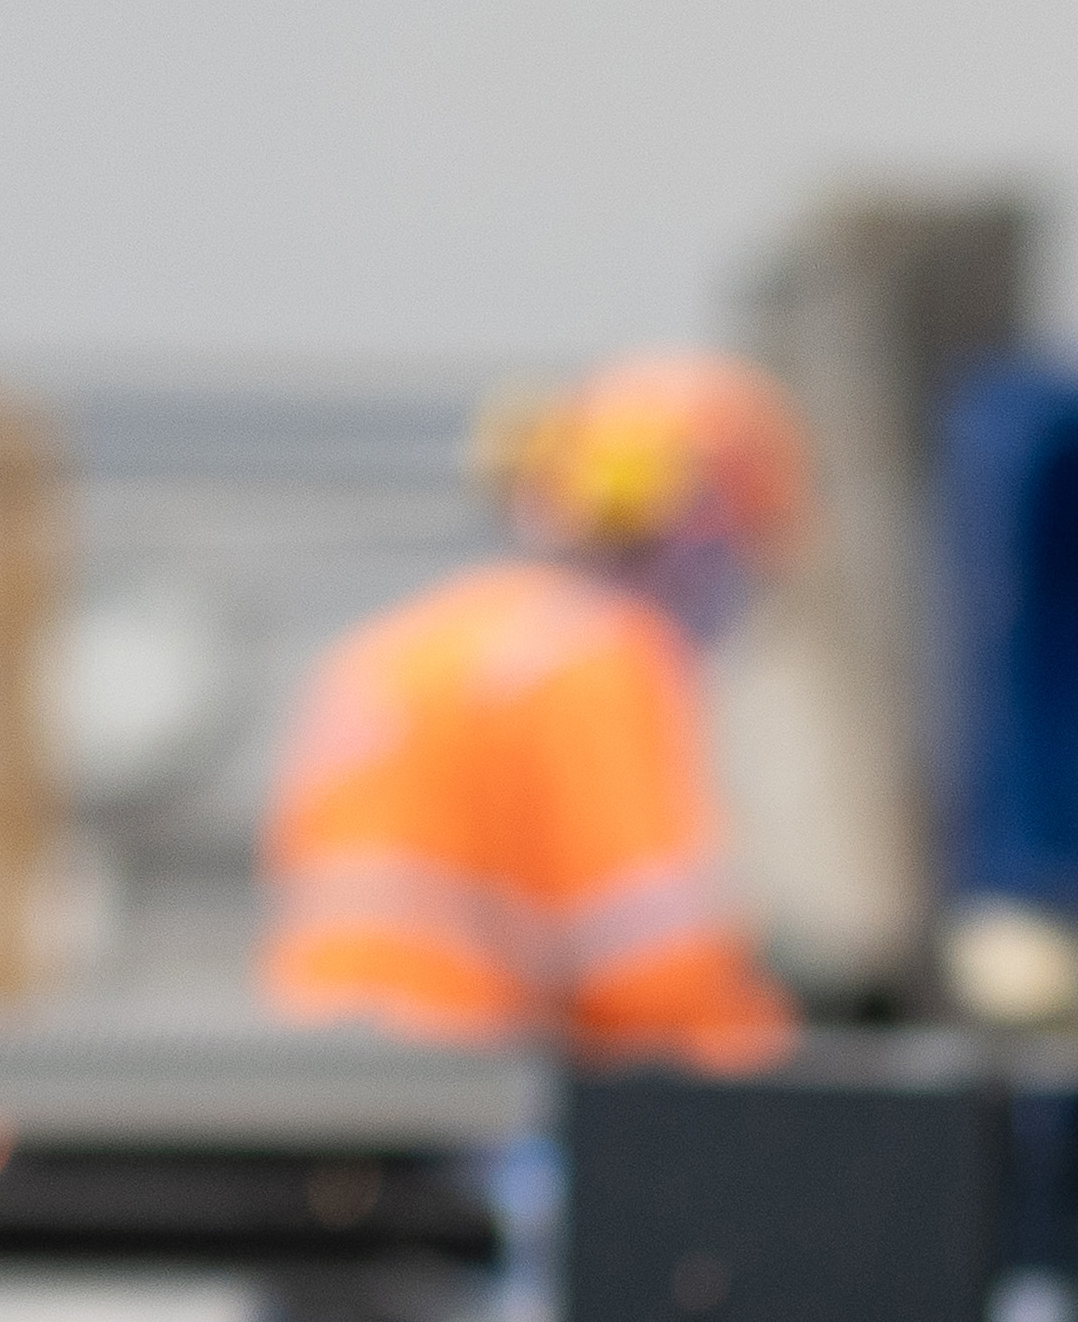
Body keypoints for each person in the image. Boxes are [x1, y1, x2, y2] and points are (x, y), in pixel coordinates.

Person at [258, 351, 803, 1064]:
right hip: (475, 1085)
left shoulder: (391, 649)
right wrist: (766, 1058)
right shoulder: (598, 660)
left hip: (330, 1080)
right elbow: (650, 969)